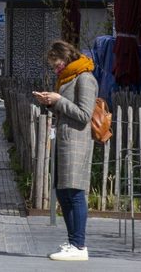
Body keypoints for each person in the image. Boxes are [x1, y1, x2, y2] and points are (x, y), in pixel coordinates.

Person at [33, 39, 98, 262]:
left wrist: (59, 100)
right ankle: (72, 242)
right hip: (63, 140)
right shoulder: (67, 77)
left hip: (76, 141)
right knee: (63, 191)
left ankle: (79, 245)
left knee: (75, 191)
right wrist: (50, 102)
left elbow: (84, 115)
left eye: (56, 63)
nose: (55, 68)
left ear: (66, 57)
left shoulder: (85, 78)